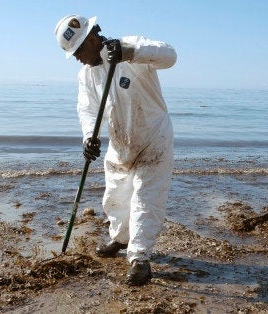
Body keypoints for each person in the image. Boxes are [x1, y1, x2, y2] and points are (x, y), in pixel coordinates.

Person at [54, 14, 176, 286]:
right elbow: (87, 109)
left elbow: (170, 56)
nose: (77, 58)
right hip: (120, 143)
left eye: (78, 51)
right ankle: (120, 239)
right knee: (116, 194)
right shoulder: (86, 74)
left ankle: (140, 259)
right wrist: (89, 137)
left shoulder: (131, 47)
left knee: (146, 198)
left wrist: (131, 53)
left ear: (92, 37)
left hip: (153, 138)